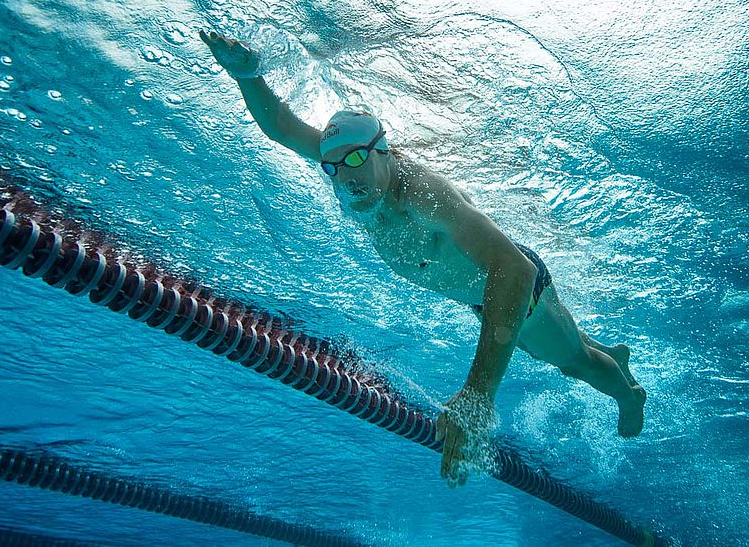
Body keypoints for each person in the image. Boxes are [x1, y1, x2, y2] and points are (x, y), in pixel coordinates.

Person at [200, 30, 646, 485]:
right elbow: (281, 126)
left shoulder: (421, 193)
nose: (343, 178)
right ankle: (610, 352)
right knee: (546, 344)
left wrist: (477, 394)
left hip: (511, 284)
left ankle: (628, 395)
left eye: (355, 162)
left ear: (384, 151)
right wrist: (248, 74)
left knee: (573, 364)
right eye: (331, 168)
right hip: (482, 296)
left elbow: (514, 268)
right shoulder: (345, 163)